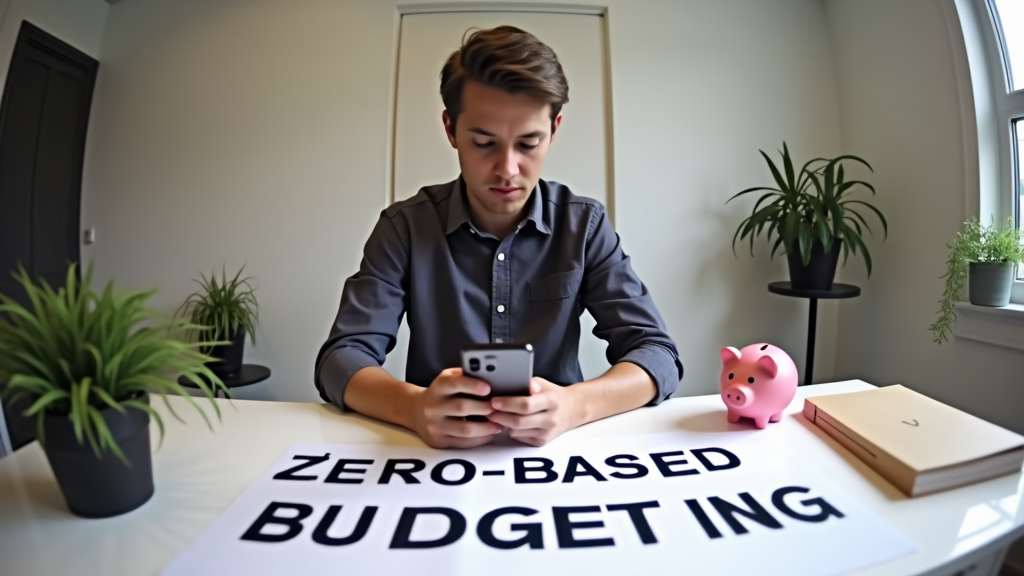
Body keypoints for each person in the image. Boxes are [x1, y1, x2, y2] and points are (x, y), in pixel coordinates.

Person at [315, 25, 682, 448]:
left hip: (560, 460)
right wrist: (412, 408)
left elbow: (656, 354)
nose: (507, 169)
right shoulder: (405, 227)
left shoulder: (584, 226)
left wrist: (575, 406)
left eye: (529, 143)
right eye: (484, 143)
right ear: (451, 130)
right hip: (430, 461)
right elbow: (341, 359)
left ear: (555, 130)